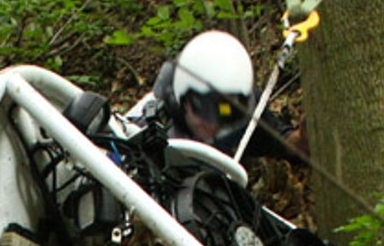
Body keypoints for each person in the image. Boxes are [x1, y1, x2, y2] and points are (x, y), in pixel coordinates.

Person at [124, 29, 305, 162]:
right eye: (204, 108)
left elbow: (281, 142)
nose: (212, 123)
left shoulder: (243, 114)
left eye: (225, 111)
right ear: (182, 100)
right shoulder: (149, 122)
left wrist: (304, 137)